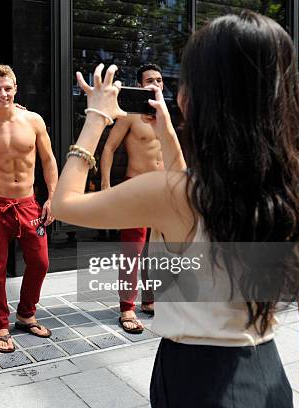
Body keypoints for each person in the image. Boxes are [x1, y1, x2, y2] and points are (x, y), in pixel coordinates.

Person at [52, 11, 299, 408]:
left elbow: (64, 204)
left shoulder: (174, 194)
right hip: (265, 370)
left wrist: (96, 116)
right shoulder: (290, 178)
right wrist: (168, 133)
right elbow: (197, 206)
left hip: (197, 377)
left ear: (195, 97)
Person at [0, 64, 58, 353]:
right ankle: (1, 325)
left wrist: (53, 197)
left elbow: (49, 160)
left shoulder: (33, 120)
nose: (3, 93)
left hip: (28, 203)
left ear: (16, 88)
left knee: (41, 262)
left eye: (8, 88)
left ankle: (26, 313)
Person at [99, 63, 164, 333]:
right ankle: (127, 307)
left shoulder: (166, 116)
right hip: (136, 188)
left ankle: (149, 300)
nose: (155, 84)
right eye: (149, 80)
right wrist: (105, 185)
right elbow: (109, 148)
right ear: (139, 85)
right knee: (132, 251)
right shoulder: (129, 115)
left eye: (159, 80)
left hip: (163, 190)